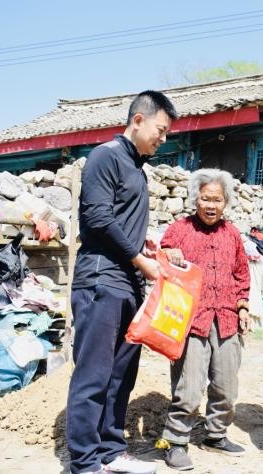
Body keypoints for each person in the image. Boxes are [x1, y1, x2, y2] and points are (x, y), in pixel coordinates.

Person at [67, 90, 177, 474]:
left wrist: (143, 247)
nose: (163, 139)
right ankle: (83, 462)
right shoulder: (105, 157)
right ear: (138, 120)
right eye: (160, 131)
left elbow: (121, 222)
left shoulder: (137, 168)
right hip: (101, 280)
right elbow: (98, 218)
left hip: (129, 284)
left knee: (120, 376)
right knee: (93, 374)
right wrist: (137, 258)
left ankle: (110, 451)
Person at [159, 168, 251, 472]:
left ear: (226, 203)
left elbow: (241, 273)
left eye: (217, 200)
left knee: (226, 385)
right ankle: (176, 442)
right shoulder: (179, 229)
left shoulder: (232, 234)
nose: (211, 205)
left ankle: (216, 434)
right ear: (195, 198)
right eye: (205, 198)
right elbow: (161, 257)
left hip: (225, 317)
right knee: (189, 385)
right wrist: (168, 253)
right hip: (191, 319)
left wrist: (243, 307)